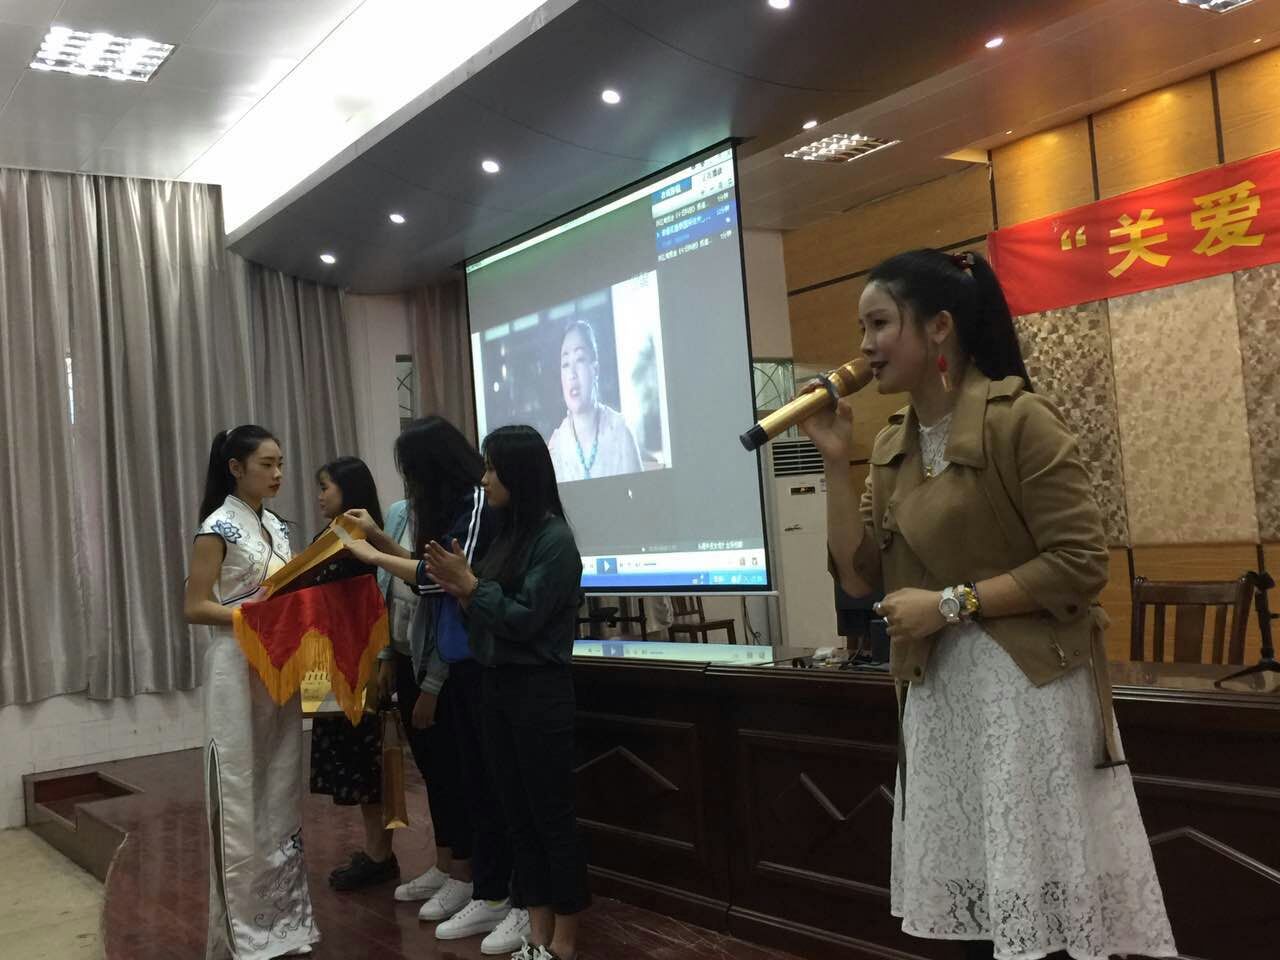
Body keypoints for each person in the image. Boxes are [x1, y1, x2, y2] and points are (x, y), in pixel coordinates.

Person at [801, 249, 1176, 960]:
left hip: (1023, 696)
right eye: (861, 329)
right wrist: (832, 460)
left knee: (1039, 908)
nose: (864, 346)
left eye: (880, 324)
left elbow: (1080, 563)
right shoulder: (891, 443)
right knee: (973, 912)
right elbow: (857, 579)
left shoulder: (1019, 419)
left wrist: (951, 604)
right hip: (940, 698)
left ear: (939, 326)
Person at [343, 416, 529, 954]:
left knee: (491, 785)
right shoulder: (448, 508)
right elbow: (430, 572)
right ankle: (482, 886)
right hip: (456, 659)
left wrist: (375, 554)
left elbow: (440, 580)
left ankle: (500, 893)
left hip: (478, 664)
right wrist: (384, 544)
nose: (487, 477)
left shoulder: (474, 505)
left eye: (411, 471)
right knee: (470, 780)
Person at [425, 424, 590, 960]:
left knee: (551, 819)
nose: (485, 479)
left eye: (493, 468)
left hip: (538, 692)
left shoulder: (555, 540)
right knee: (517, 816)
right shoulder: (506, 535)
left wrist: (472, 587)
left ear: (520, 472)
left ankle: (564, 942)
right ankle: (536, 934)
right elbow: (482, 614)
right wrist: (467, 591)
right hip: (497, 688)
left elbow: (523, 619)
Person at [184, 425, 318, 960]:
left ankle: (284, 922)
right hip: (234, 666)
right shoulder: (216, 527)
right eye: (267, 464)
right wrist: (250, 614)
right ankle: (243, 932)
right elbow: (195, 607)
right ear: (236, 469)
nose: (278, 473)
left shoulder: (277, 526)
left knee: (279, 789)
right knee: (239, 795)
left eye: (280, 463)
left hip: (277, 666)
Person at [307, 457, 401, 891]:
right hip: (331, 662)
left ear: (349, 489)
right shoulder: (332, 535)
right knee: (351, 763)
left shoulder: (365, 539)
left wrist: (382, 661)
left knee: (367, 766)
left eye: (325, 486)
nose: (320, 495)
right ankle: (375, 850)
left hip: (360, 664)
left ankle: (381, 856)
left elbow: (377, 603)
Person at [546, 320, 642, 482]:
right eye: (566, 364)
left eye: (580, 359)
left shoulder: (620, 433)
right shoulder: (557, 447)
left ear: (595, 370)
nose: (572, 374)